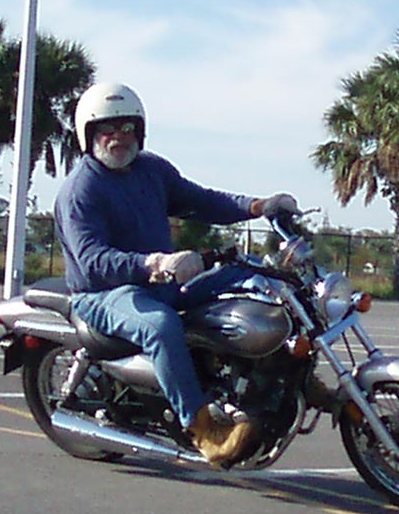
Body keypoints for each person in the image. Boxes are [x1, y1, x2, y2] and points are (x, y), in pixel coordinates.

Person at [54, 82, 298, 466]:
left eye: (127, 127)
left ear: (140, 129)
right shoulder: (81, 190)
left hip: (162, 283)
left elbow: (202, 200)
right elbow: (93, 261)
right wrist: (153, 263)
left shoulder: (151, 170)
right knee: (161, 326)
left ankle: (286, 374)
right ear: (89, 134)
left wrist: (258, 206)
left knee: (253, 276)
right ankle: (204, 430)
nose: (118, 136)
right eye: (107, 128)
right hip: (105, 294)